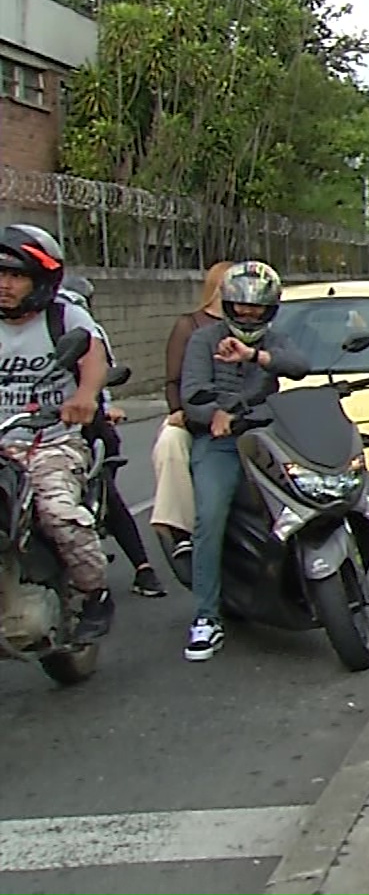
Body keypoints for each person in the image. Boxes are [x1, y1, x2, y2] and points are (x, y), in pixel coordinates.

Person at [177, 261, 311, 661]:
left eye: (257, 309)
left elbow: (299, 366)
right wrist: (218, 414)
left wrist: (255, 355)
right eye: (241, 307)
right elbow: (193, 395)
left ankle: (303, 585)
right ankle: (206, 616)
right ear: (227, 305)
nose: (248, 315)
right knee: (210, 514)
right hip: (220, 443)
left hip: (268, 439)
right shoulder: (204, 341)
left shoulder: (276, 340)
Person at [0, 224, 115, 642]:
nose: (4, 285)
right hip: (2, 443)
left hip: (50, 441)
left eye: (15, 276)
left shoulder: (65, 315)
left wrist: (84, 396)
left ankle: (95, 593)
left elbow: (93, 356)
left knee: (57, 513)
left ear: (40, 280)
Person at [58, 275, 165, 597]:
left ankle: (143, 568)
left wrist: (101, 406)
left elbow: (101, 372)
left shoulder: (77, 325)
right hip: (28, 427)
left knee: (106, 491)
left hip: (82, 423)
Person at [152, 261, 232, 565]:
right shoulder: (191, 325)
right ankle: (181, 530)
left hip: (243, 414)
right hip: (196, 413)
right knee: (170, 442)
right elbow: (174, 380)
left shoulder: (259, 325)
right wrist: (181, 412)